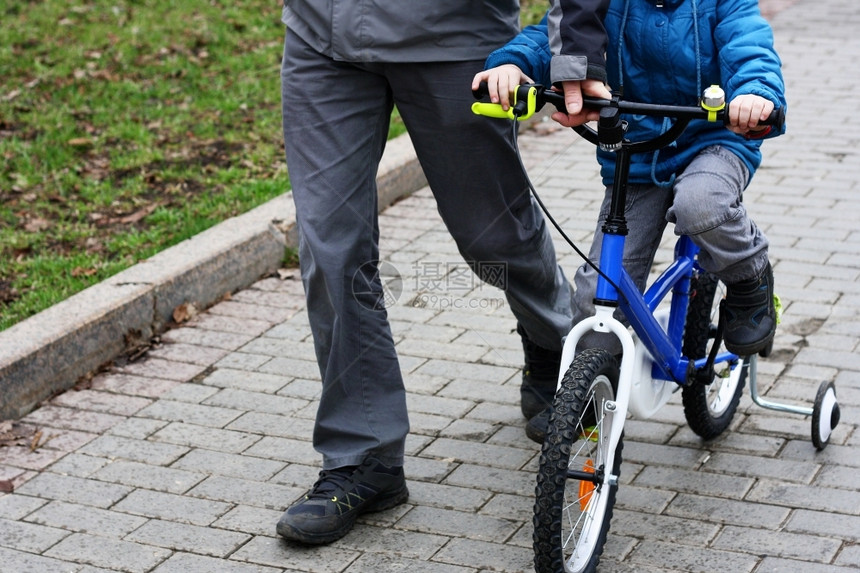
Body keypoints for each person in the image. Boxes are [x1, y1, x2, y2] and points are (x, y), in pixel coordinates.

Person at [276, 1, 578, 545]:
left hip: (454, 39)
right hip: (324, 36)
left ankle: (553, 342)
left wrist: (572, 54)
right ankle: (364, 455)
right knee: (331, 249)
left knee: (493, 234)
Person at [473, 0, 786, 442]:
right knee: (594, 293)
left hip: (713, 139)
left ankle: (750, 277)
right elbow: (551, 40)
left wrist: (756, 93)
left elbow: (750, 47)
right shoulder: (602, 3)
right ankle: (588, 396)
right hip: (637, 152)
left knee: (703, 206)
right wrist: (511, 65)